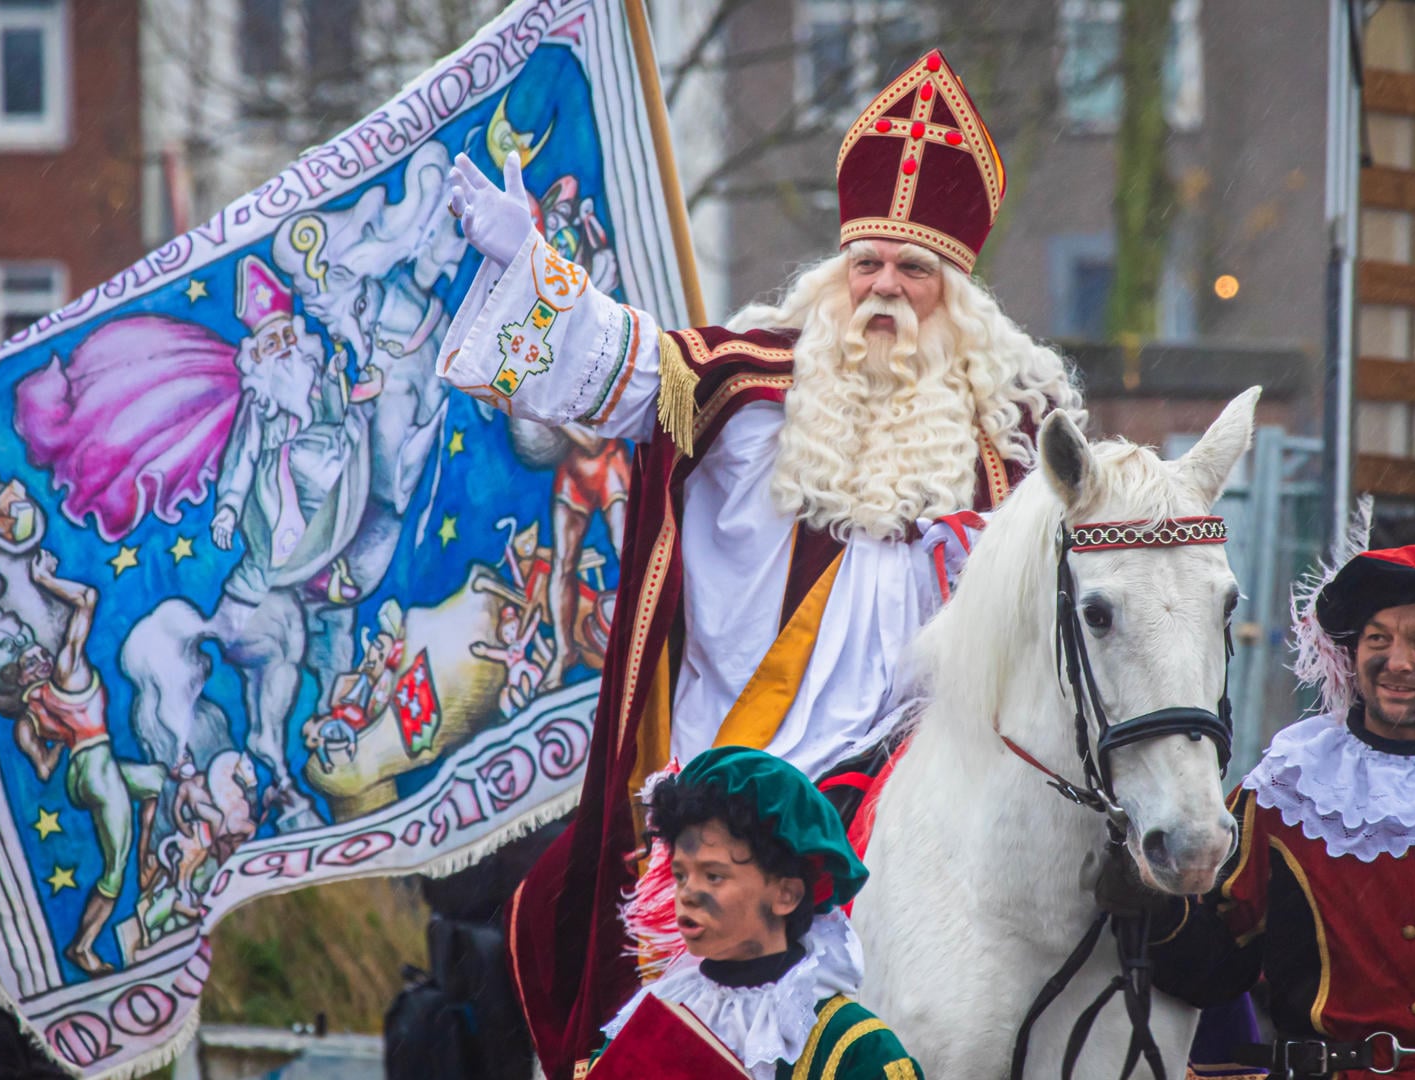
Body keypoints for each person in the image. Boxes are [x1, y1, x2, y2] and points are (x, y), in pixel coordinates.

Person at [440, 48, 1080, 1075]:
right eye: (867, 263)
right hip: (731, 764)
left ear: (957, 296)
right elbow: (618, 366)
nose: (885, 288)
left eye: (913, 270)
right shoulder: (744, 383)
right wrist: (535, 269)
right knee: (571, 912)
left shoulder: (1012, 442)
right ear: (835, 275)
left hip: (906, 779)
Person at [1148, 544, 1415, 1078]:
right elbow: (1211, 971)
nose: (1397, 662)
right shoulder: (1283, 793)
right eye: (1377, 639)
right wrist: (1141, 887)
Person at [579, 746, 921, 1080]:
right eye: (681, 874)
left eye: (714, 876)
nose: (688, 894)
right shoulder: (649, 1024)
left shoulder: (856, 1050)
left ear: (786, 894)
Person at [0, 550, 167, 976]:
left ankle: (149, 858)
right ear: (21, 675)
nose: (37, 653)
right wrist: (45, 580)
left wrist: (58, 743)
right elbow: (88, 598)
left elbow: (43, 769)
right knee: (114, 866)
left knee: (159, 785)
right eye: (29, 658)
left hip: (83, 770)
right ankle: (83, 946)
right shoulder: (66, 672)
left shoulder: (26, 718)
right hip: (97, 763)